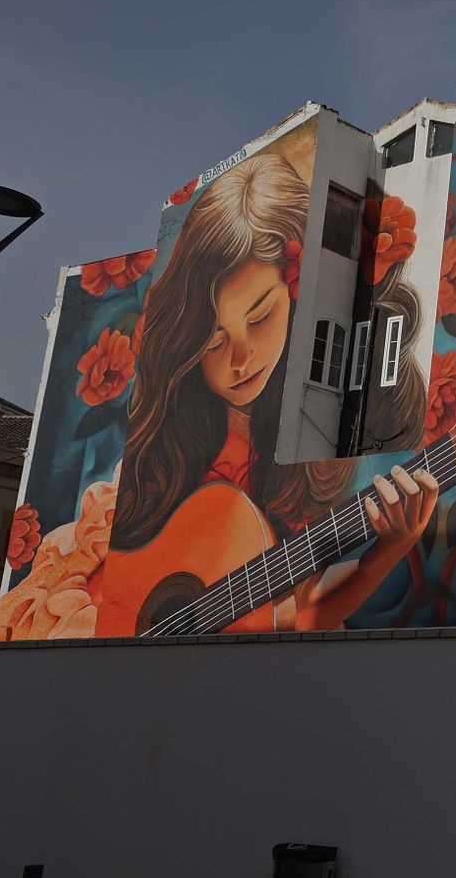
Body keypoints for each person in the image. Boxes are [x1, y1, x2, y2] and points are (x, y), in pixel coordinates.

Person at [114, 151, 436, 632]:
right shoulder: (166, 441)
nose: (238, 359)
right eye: (212, 338)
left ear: (297, 295)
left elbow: (303, 611)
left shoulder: (316, 437)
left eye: (260, 316)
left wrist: (389, 550)